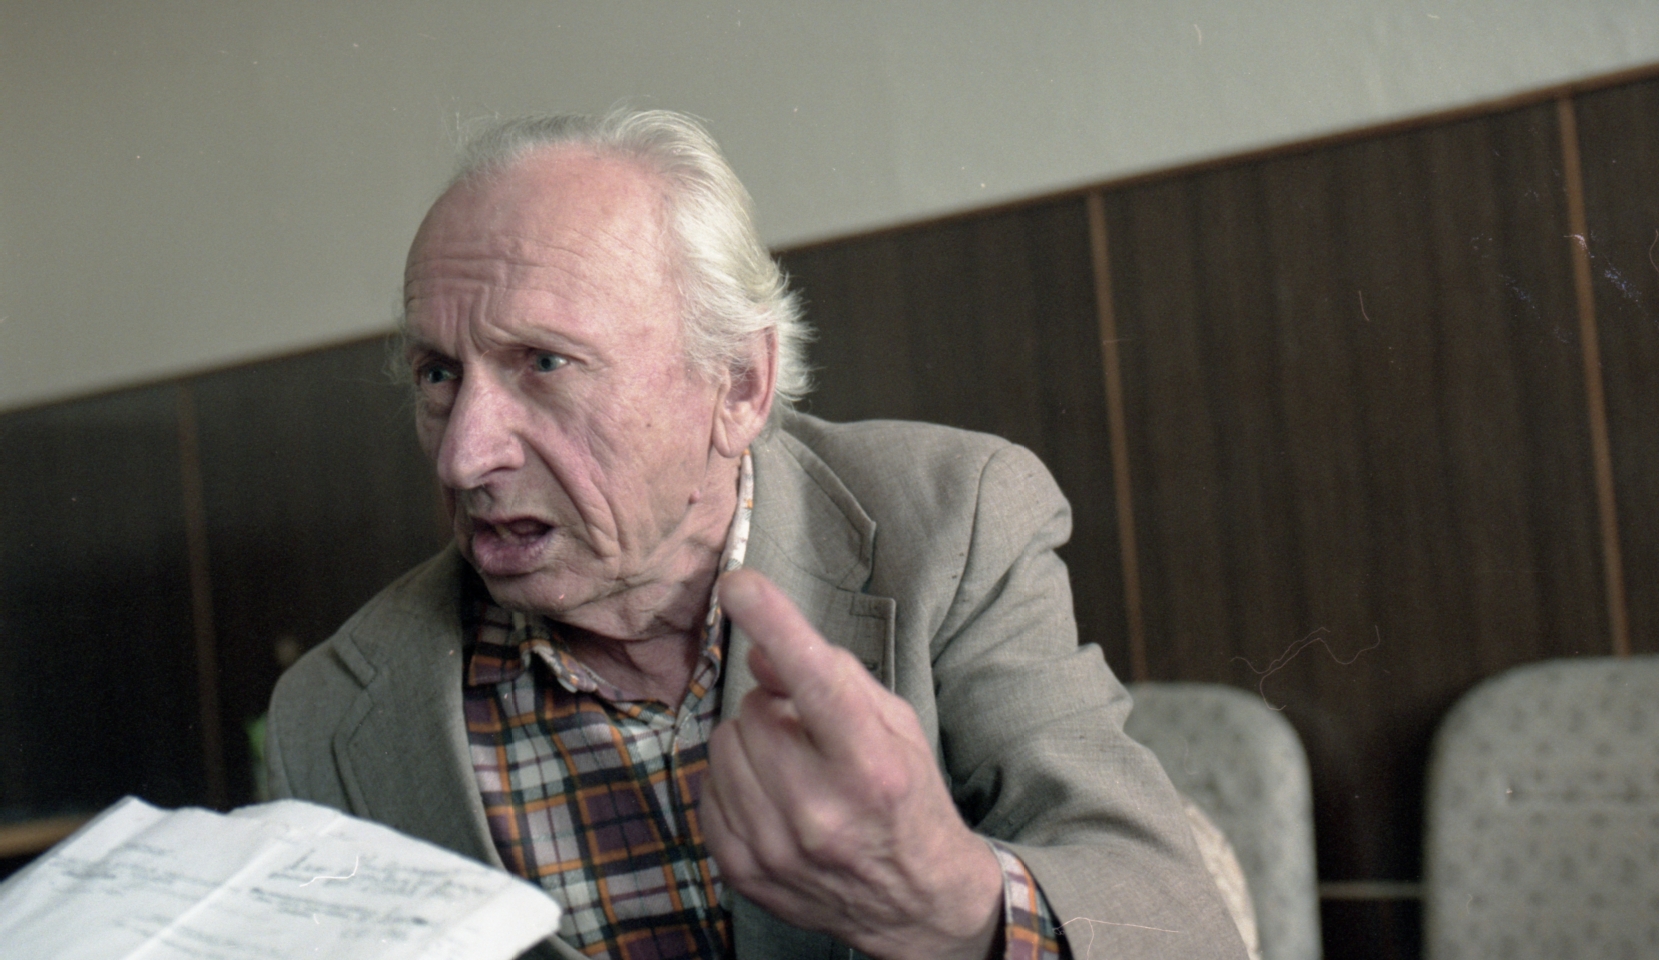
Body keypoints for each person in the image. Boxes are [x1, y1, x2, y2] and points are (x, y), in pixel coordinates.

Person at [266, 109, 1246, 960]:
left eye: (544, 364)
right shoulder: (331, 717)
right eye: (438, 374)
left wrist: (952, 908)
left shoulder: (950, 523)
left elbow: (1178, 924)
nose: (464, 457)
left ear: (738, 384)